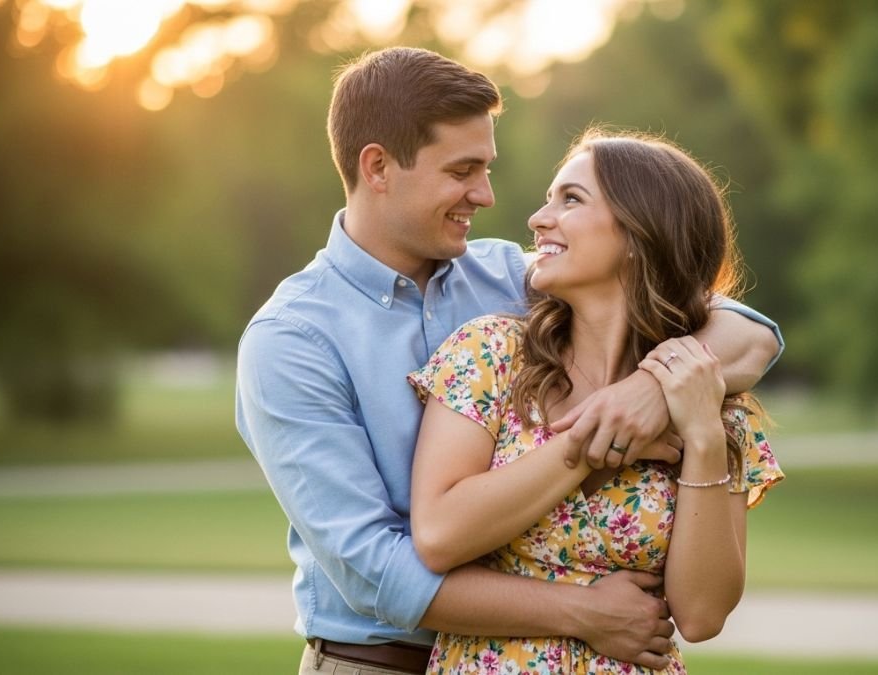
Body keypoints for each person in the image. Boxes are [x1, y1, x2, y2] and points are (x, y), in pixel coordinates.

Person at [236, 47, 784, 675]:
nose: (488, 195)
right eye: (463, 170)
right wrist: (582, 611)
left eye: (487, 168)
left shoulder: (512, 275)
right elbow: (376, 573)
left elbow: (746, 329)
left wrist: (653, 393)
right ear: (379, 166)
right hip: (377, 662)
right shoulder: (292, 340)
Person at [407, 129, 784, 674]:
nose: (538, 220)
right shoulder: (491, 354)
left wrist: (701, 436)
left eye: (571, 200)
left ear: (639, 233)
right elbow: (439, 536)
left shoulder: (716, 400)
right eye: (548, 198)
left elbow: (701, 617)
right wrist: (595, 442)